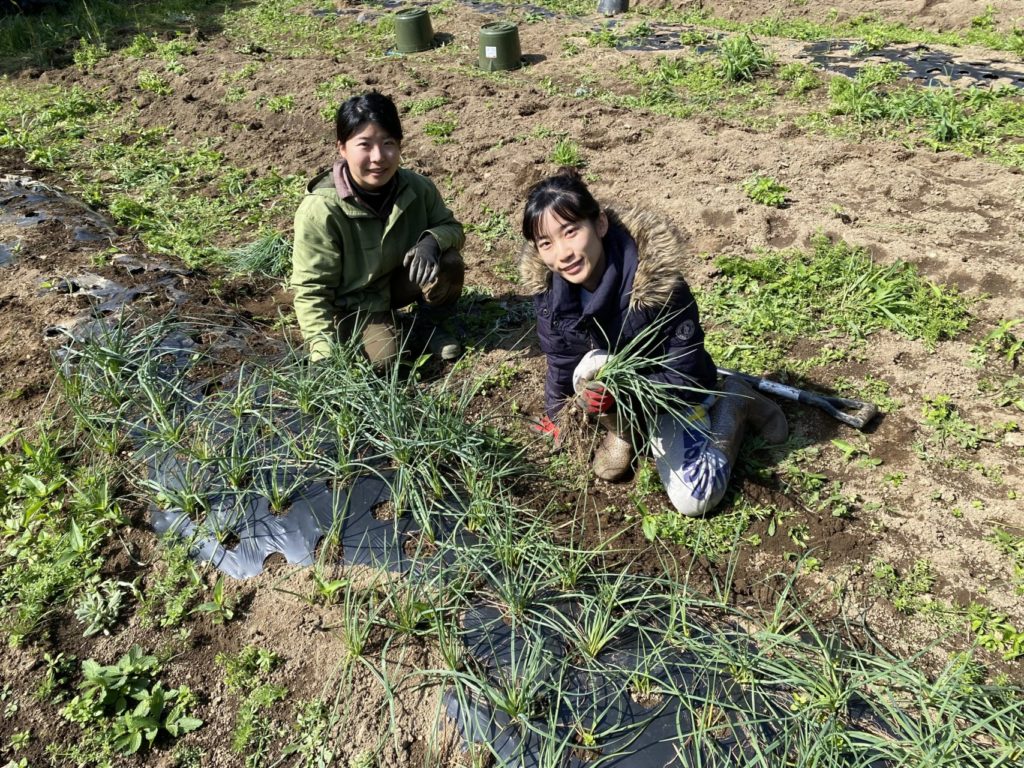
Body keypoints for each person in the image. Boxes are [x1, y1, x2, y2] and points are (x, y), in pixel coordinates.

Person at [519, 168, 788, 517]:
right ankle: (625, 431)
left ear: (599, 224)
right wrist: (559, 416)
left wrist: (623, 395)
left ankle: (735, 402)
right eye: (546, 243)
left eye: (571, 232)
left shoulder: (658, 286)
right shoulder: (550, 290)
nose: (563, 253)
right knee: (587, 368)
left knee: (695, 498)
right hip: (622, 395)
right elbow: (560, 360)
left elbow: (685, 373)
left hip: (674, 397)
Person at [291, 91, 465, 366]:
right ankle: (374, 329)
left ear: (400, 145)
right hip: (352, 303)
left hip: (395, 283)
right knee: (387, 360)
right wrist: (322, 352)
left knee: (449, 261)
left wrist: (431, 241)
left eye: (388, 143)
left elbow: (451, 227)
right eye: (365, 145)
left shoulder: (417, 188)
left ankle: (428, 325)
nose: (378, 157)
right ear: (342, 148)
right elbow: (312, 288)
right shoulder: (321, 210)